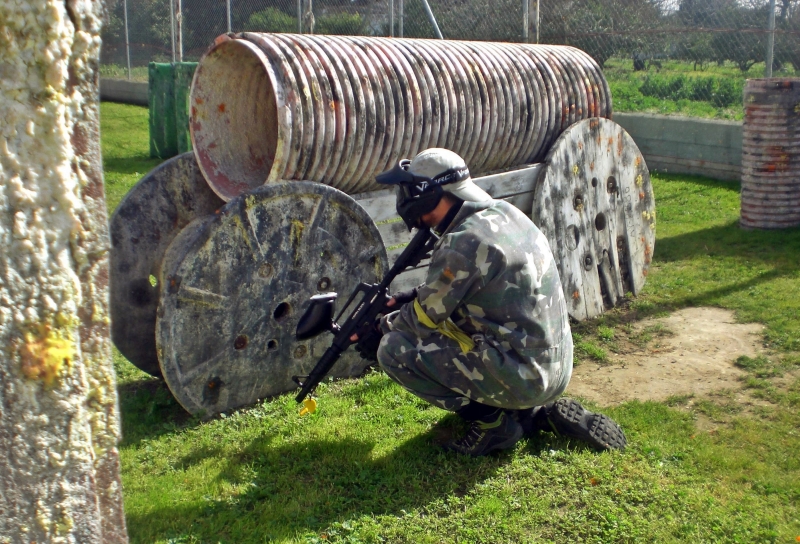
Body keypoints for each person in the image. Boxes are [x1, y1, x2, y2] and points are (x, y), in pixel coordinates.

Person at [354, 148, 627, 457]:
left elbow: (421, 321)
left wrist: (379, 328)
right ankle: (530, 413)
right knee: (453, 325)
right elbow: (463, 288)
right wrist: (411, 297)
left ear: (427, 193)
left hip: (527, 375)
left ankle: (493, 424)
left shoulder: (463, 241)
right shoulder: (503, 214)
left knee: (393, 349)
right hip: (553, 364)